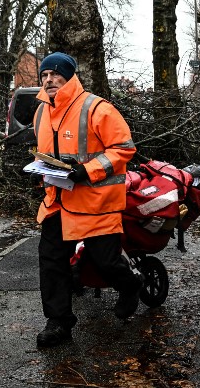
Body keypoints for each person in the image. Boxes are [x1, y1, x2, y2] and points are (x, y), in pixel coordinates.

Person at [31, 51, 141, 348]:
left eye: (56, 74)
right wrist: (40, 170)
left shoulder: (96, 108)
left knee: (104, 261)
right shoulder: (41, 111)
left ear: (69, 77)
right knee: (51, 261)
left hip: (95, 202)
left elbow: (124, 149)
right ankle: (58, 323)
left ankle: (131, 285)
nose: (50, 79)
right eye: (44, 75)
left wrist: (86, 171)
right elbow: (48, 152)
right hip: (58, 201)